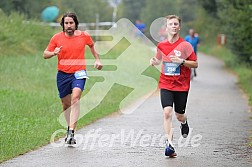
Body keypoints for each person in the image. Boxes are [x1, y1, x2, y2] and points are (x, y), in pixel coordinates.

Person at [43, 12, 102, 145]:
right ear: (62, 25)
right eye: (66, 23)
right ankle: (68, 127)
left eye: (71, 23)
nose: (69, 26)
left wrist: (97, 59)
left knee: (75, 99)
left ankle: (71, 132)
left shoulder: (84, 36)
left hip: (79, 72)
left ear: (75, 24)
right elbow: (45, 54)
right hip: (63, 74)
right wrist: (54, 53)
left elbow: (92, 46)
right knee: (66, 104)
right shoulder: (56, 38)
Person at [150, 15, 198, 157]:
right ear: (166, 27)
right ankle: (169, 144)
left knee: (179, 115)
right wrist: (153, 61)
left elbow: (195, 64)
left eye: (176, 24)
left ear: (179, 27)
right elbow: (158, 60)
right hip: (165, 83)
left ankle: (184, 122)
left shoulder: (186, 45)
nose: (174, 26)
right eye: (171, 24)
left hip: (181, 85)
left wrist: (182, 61)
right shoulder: (161, 45)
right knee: (167, 112)